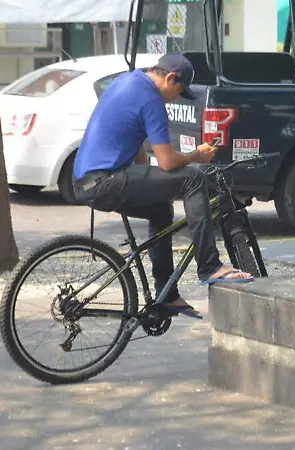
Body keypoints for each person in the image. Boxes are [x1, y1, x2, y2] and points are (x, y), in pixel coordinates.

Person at [72, 53, 254, 318]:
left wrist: (157, 181)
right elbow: (168, 162)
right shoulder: (151, 99)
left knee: (161, 207)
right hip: (105, 181)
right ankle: (209, 266)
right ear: (169, 78)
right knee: (194, 178)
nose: (176, 98)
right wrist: (197, 156)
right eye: (178, 91)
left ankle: (167, 295)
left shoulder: (130, 81)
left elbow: (138, 150)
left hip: (87, 182)